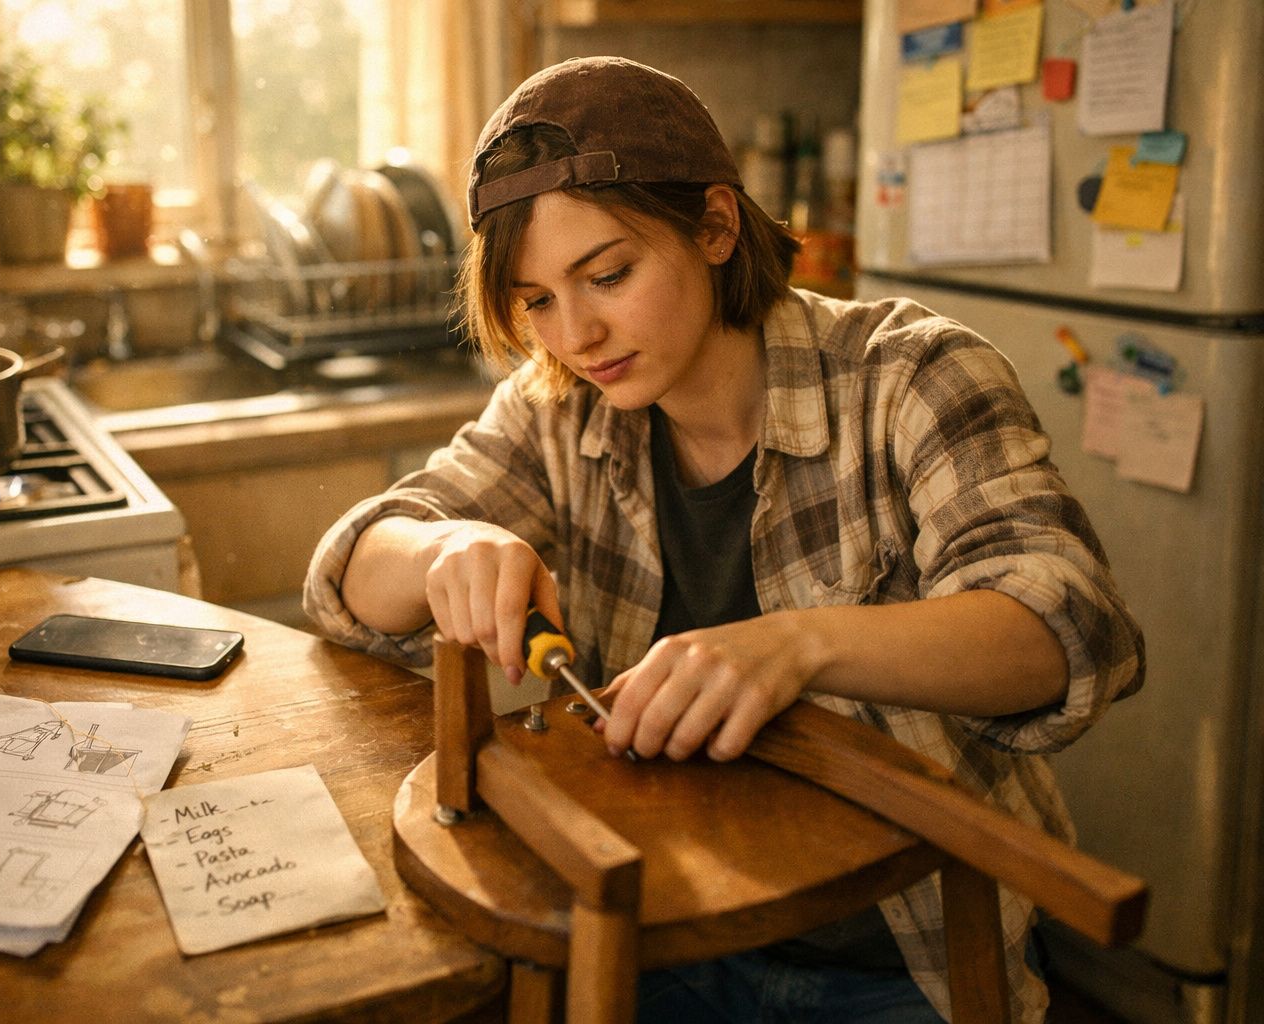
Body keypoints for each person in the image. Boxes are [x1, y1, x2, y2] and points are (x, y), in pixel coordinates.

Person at [303, 55, 1144, 1023]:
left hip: (902, 959)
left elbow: (1070, 628)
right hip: (663, 925)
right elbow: (344, 570)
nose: (574, 332)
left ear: (714, 226)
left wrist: (798, 645)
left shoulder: (911, 375)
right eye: (537, 300)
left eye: (607, 274)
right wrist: (440, 552)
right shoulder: (558, 412)